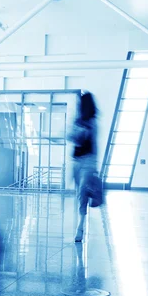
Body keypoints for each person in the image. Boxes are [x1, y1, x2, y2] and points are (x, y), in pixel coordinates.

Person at [68, 92, 98, 242]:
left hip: (88, 162)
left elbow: (80, 139)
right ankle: (81, 223)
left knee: (82, 194)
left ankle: (80, 227)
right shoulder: (77, 120)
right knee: (80, 194)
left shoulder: (92, 122)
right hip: (76, 161)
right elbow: (73, 137)